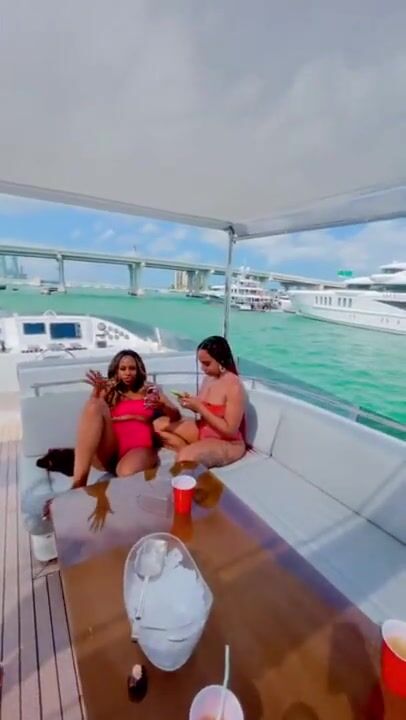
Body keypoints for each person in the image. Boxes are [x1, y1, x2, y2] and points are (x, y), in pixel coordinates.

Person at [72, 349, 180, 488]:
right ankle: (79, 483)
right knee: (94, 404)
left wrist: (162, 406)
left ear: (139, 370)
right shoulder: (109, 392)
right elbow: (93, 415)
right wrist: (96, 394)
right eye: (123, 369)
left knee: (126, 472)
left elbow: (176, 415)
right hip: (111, 450)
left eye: (132, 368)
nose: (127, 373)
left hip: (139, 449)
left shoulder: (150, 391)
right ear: (116, 371)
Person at [154, 335, 246, 468]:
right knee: (157, 425)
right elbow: (203, 407)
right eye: (201, 363)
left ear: (221, 360)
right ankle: (184, 447)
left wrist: (199, 407)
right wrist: (190, 403)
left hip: (227, 441)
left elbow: (230, 431)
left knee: (184, 459)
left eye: (207, 364)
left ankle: (188, 452)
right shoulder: (208, 378)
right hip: (204, 430)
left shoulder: (233, 385)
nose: (203, 368)